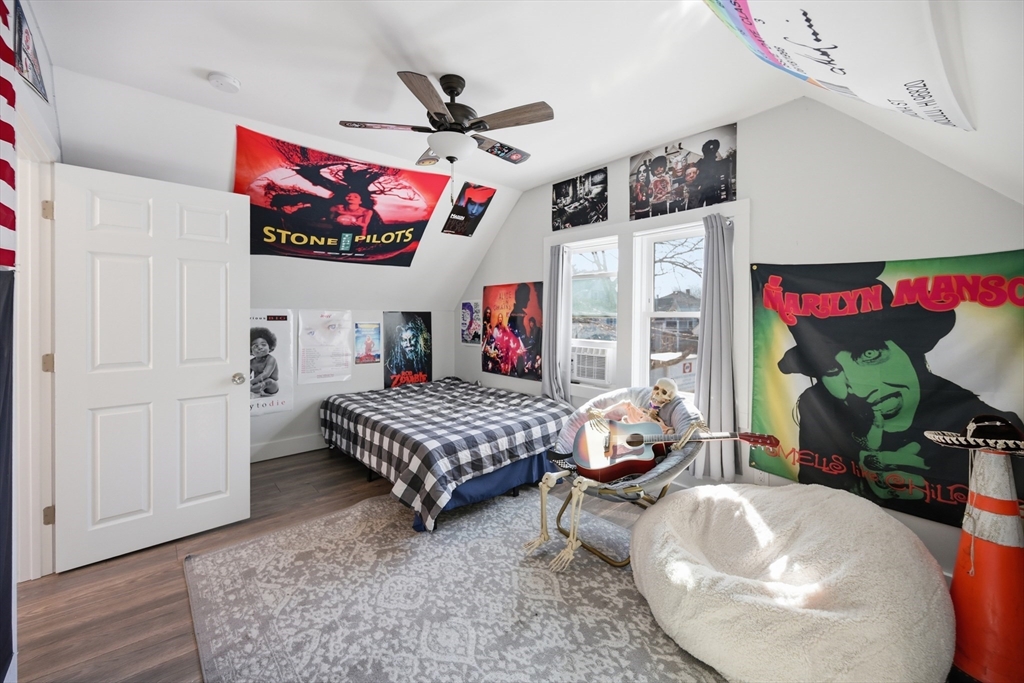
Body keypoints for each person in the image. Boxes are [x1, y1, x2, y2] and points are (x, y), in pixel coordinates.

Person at [768, 262, 1023, 526]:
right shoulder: (817, 406)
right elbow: (816, 495)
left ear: (911, 349)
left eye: (869, 355)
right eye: (831, 369)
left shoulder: (994, 432)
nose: (860, 388)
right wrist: (861, 490)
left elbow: (1006, 528)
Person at [250, 327, 280, 397]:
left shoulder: (271, 359)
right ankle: (254, 391)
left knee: (268, 381)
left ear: (270, 347)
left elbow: (265, 374)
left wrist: (250, 382)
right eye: (255, 346)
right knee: (256, 385)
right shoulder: (251, 362)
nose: (260, 347)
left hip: (271, 386)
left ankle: (253, 390)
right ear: (251, 350)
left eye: (263, 344)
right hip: (257, 383)